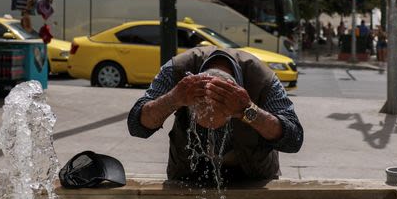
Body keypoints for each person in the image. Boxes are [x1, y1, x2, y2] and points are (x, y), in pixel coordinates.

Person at [127, 47, 303, 183]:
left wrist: (248, 110)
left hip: (253, 175)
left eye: (220, 128)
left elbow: (293, 139)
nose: (212, 138)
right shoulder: (177, 70)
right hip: (187, 173)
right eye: (203, 128)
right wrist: (173, 99)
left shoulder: (263, 79)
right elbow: (137, 126)